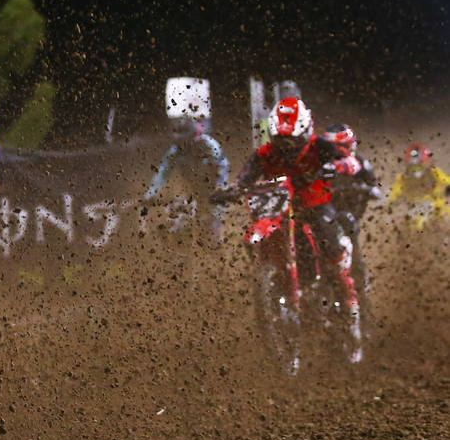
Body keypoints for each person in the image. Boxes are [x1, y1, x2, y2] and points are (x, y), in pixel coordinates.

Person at [216, 97, 364, 361]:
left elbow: (352, 162)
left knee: (333, 249)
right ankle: (277, 284)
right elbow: (245, 178)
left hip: (314, 207)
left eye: (291, 141)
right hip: (280, 211)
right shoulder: (263, 154)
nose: (285, 148)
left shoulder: (320, 145)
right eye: (280, 141)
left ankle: (352, 321)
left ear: (306, 131)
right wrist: (232, 191)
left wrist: (335, 167)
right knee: (261, 238)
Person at [323, 124, 379, 334]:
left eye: (342, 147)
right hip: (319, 216)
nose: (338, 152)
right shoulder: (316, 163)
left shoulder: (360, 163)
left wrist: (366, 189)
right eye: (334, 147)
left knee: (356, 265)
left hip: (346, 219)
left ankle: (364, 316)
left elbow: (374, 185)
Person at [143, 116, 229, 238]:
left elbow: (222, 166)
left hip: (214, 191)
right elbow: (163, 172)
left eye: (185, 141)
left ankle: (215, 248)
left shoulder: (209, 145)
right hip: (193, 191)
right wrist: (152, 192)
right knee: (181, 228)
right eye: (180, 142)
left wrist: (220, 186)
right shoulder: (175, 152)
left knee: (210, 229)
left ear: (194, 137)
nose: (182, 145)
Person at [388, 142, 450, 229]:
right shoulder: (403, 178)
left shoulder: (434, 172)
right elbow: (393, 195)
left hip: (437, 209)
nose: (417, 169)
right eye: (414, 166)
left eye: (420, 165)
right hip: (414, 210)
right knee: (411, 226)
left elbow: (447, 180)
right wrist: (391, 203)